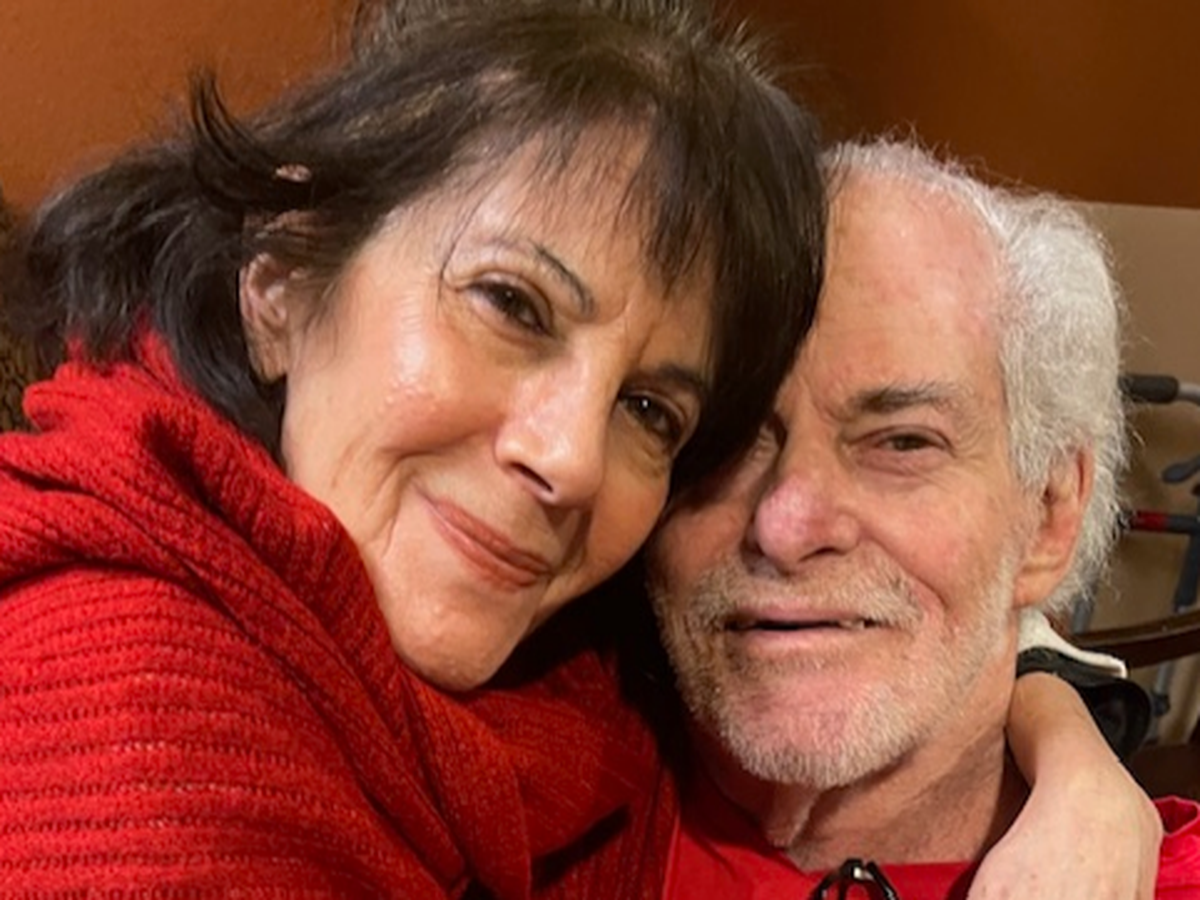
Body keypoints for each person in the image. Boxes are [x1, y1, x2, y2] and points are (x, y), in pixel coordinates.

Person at [0, 0, 1160, 893]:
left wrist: (1074, 757)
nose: (569, 460)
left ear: (1051, 515)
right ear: (284, 276)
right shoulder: (137, 748)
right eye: (510, 304)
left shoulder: (561, 672)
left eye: (653, 411)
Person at [647, 138, 1200, 899]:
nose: (785, 526)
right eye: (727, 438)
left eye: (903, 442)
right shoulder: (534, 781)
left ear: (1048, 514)